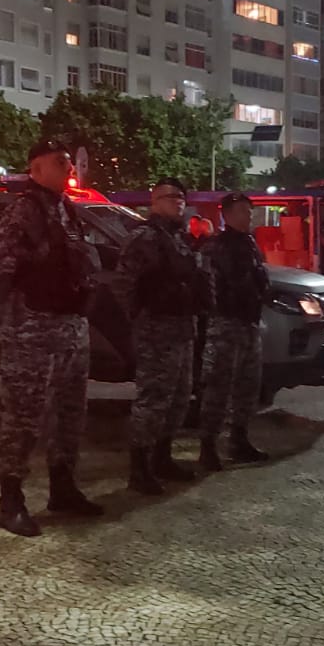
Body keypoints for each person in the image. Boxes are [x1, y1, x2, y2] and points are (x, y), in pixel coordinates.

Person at [0, 139, 103, 537]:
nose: (69, 167)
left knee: (71, 414)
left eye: (69, 161)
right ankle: (10, 502)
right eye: (59, 162)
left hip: (69, 327)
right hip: (33, 329)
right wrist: (22, 314)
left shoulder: (66, 210)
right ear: (35, 170)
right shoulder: (22, 213)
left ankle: (63, 488)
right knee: (24, 417)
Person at [116, 176, 212, 494]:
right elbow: (125, 284)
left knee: (179, 397)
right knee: (154, 399)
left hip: (183, 328)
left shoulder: (181, 239)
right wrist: (140, 319)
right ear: (154, 202)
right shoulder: (143, 238)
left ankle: (162, 457)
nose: (179, 202)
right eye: (171, 197)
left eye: (182, 197)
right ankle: (139, 468)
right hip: (157, 330)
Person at [198, 192, 272, 471]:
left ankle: (238, 441)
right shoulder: (215, 246)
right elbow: (210, 286)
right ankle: (208, 448)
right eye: (241, 211)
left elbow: (257, 279)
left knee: (248, 386)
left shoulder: (249, 243)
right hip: (225, 324)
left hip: (247, 323)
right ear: (226, 215)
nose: (248, 216)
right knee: (218, 387)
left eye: (249, 211)